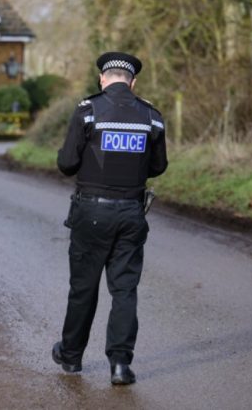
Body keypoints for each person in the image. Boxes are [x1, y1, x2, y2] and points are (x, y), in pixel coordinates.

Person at [52, 51, 168, 385]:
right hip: (131, 213)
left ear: (103, 79)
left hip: (91, 213)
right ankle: (120, 365)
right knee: (125, 289)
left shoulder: (87, 111)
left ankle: (71, 357)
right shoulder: (152, 117)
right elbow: (158, 167)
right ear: (132, 82)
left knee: (83, 288)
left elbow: (67, 164)